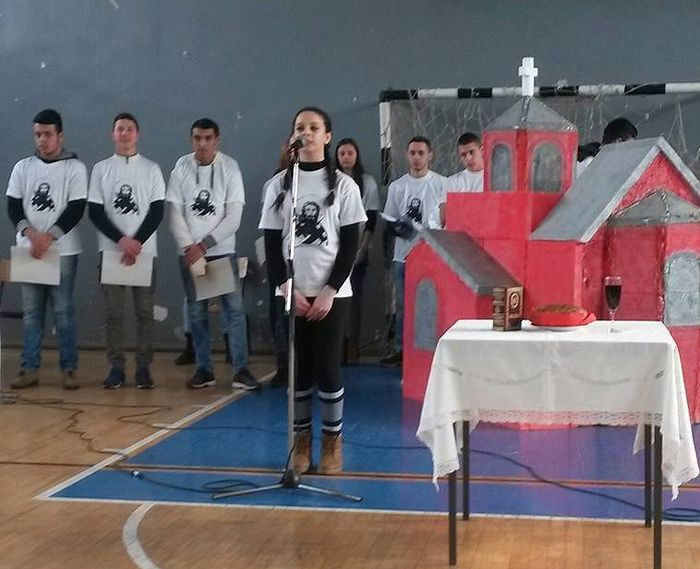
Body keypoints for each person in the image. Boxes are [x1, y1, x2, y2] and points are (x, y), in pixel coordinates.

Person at [259, 107, 366, 474]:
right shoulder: (278, 186)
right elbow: (272, 244)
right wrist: (286, 287)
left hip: (331, 295)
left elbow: (349, 245)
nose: (306, 132)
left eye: (314, 127)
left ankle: (332, 444)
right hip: (293, 293)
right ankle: (301, 444)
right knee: (299, 369)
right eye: (300, 127)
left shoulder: (345, 186)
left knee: (327, 367)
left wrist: (329, 291)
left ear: (326, 136)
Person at [167, 117, 260, 391]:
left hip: (221, 252)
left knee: (234, 311)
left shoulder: (230, 168)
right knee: (196, 313)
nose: (202, 144)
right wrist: (189, 246)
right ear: (191, 139)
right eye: (197, 138)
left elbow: (234, 216)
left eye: (208, 138)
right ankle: (204, 370)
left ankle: (241, 370)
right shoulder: (180, 168)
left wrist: (205, 244)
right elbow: (174, 212)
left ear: (217, 140)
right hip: (190, 255)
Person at [5, 109, 87, 389]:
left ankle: (69, 368)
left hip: (62, 251)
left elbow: (76, 208)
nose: (42, 139)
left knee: (63, 311)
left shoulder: (74, 168)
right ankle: (29, 368)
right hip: (29, 249)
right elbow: (13, 205)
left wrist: (48, 237)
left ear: (60, 136)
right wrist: (31, 234)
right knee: (31, 313)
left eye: (48, 134)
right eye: (38, 134)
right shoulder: (23, 167)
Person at [88, 112, 165, 389]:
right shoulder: (101, 169)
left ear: (137, 134)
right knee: (113, 314)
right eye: (119, 129)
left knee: (144, 312)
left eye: (129, 129)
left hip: (144, 252)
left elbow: (157, 211)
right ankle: (116, 368)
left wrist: (136, 242)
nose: (124, 134)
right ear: (113, 134)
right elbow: (95, 211)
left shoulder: (152, 169)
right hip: (111, 252)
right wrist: (122, 241)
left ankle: (143, 368)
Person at [380, 136, 445, 368]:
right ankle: (401, 348)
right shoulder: (397, 186)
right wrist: (399, 228)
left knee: (432, 303)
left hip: (432, 254)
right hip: (404, 254)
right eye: (413, 153)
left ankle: (433, 348)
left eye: (421, 153)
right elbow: (389, 218)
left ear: (430, 155)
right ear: (407, 155)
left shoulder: (441, 183)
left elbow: (447, 220)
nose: (417, 157)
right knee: (403, 304)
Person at [335, 138, 379, 364]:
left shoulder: (367, 182)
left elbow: (371, 219)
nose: (346, 157)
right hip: (333, 250)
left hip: (358, 248)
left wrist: (361, 249)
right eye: (342, 153)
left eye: (350, 153)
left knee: (354, 299)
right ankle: (337, 346)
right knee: (334, 299)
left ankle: (352, 345)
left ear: (357, 155)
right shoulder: (331, 180)